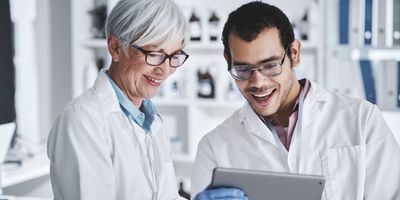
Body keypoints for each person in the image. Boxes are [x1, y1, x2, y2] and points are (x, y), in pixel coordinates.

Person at [192, 1, 400, 200]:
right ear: (228, 63)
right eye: (243, 69)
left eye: (270, 65)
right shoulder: (215, 146)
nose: (258, 82)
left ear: (294, 53)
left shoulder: (362, 120)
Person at [47, 0, 190, 199]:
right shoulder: (82, 120)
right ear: (115, 48)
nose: (165, 70)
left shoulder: (152, 121)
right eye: (155, 54)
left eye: (174, 56)